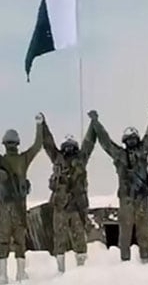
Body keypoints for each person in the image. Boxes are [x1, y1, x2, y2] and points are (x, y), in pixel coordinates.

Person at [0, 115, 44, 283]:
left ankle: (2, 275)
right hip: (20, 208)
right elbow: (37, 145)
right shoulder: (23, 159)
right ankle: (21, 274)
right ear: (17, 143)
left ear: (5, 144)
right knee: (20, 242)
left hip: (4, 208)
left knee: (3, 241)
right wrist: (39, 125)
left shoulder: (0, 161)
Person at [90, 106, 148, 263]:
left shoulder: (142, 151)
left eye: (134, 139)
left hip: (141, 197)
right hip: (127, 199)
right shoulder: (121, 155)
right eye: (130, 139)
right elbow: (105, 142)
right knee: (126, 233)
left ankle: (145, 262)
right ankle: (125, 265)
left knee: (143, 233)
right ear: (126, 142)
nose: (132, 142)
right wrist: (96, 123)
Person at [43, 116, 97, 272]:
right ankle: (61, 272)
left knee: (79, 239)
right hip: (60, 206)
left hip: (76, 207)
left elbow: (89, 143)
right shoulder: (57, 160)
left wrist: (93, 124)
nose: (69, 150)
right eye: (66, 147)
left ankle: (81, 271)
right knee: (59, 240)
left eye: (71, 147)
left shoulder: (80, 160)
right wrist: (42, 125)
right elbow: (48, 144)